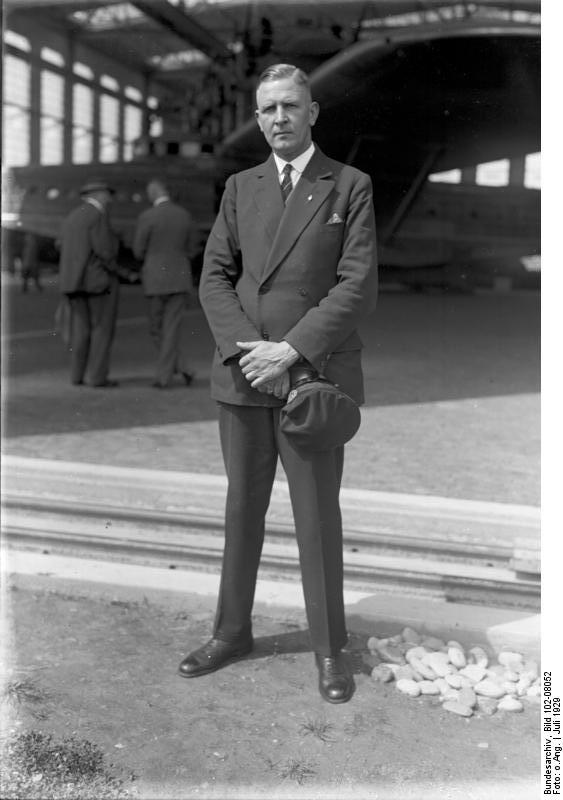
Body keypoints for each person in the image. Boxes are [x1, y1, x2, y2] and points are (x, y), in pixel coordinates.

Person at [178, 64, 378, 704]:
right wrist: (251, 354)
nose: (279, 119)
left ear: (313, 112)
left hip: (310, 379)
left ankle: (328, 649)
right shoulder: (241, 187)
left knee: (317, 517)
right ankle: (231, 632)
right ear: (258, 116)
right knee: (243, 510)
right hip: (243, 378)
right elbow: (214, 276)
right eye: (267, 109)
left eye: (291, 106)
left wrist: (289, 351)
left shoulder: (348, 186)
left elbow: (357, 285)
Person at [58, 179, 121, 387]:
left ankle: (76, 376)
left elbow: (61, 245)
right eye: (108, 194)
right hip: (96, 283)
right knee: (102, 330)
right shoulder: (98, 215)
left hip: (73, 284)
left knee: (80, 331)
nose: (110, 199)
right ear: (99, 194)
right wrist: (117, 269)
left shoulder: (72, 216)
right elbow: (105, 250)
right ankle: (96, 377)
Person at [133, 179, 195, 388]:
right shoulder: (184, 215)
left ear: (153, 192)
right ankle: (183, 368)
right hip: (179, 278)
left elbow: (138, 250)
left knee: (156, 328)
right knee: (171, 328)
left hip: (155, 280)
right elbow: (193, 248)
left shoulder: (147, 217)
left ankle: (163, 377)